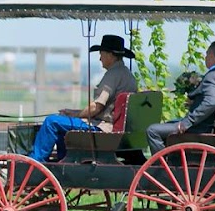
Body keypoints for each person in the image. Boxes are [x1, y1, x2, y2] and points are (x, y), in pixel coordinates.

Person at [28, 34, 138, 162]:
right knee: (60, 121)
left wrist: (75, 114)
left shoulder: (113, 75)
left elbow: (96, 107)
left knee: (51, 121)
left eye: (101, 53)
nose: (100, 58)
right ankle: (64, 161)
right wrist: (72, 113)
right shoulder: (127, 75)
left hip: (103, 128)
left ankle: (34, 162)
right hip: (114, 128)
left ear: (110, 55)